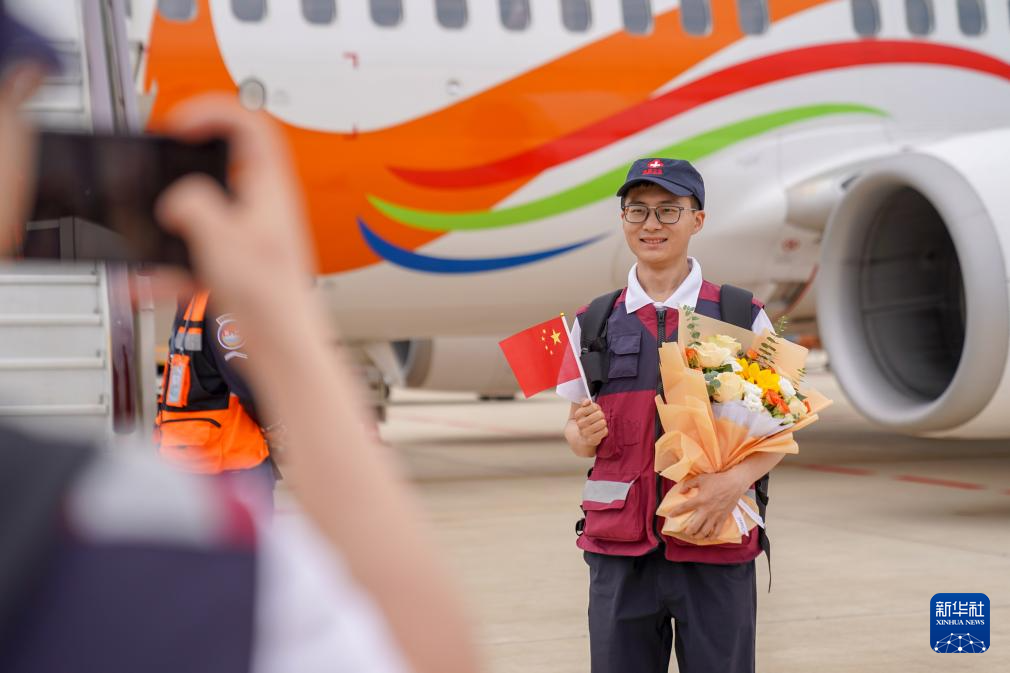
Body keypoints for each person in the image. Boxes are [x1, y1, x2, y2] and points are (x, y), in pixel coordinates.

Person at [0, 5, 478, 672]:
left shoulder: (189, 308)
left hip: (189, 450)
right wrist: (289, 342)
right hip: (227, 461)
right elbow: (416, 652)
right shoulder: (100, 548)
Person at [559, 158, 787, 673]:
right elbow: (575, 431)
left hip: (714, 539)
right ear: (623, 220)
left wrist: (735, 482)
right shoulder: (593, 321)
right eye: (637, 210)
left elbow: (781, 426)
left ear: (697, 220)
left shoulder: (741, 314)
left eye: (668, 210)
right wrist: (580, 434)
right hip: (620, 551)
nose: (651, 224)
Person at [155, 286, 279, 515]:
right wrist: (274, 426)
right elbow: (245, 381)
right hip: (232, 465)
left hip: (189, 460)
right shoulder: (220, 303)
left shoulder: (191, 302)